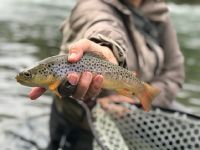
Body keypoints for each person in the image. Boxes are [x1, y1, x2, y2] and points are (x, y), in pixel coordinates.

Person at [29, 0, 185, 149]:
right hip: (83, 125)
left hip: (130, 124)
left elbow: (174, 72)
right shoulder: (90, 5)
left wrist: (136, 100)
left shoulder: (160, 14)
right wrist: (106, 45)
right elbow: (100, 22)